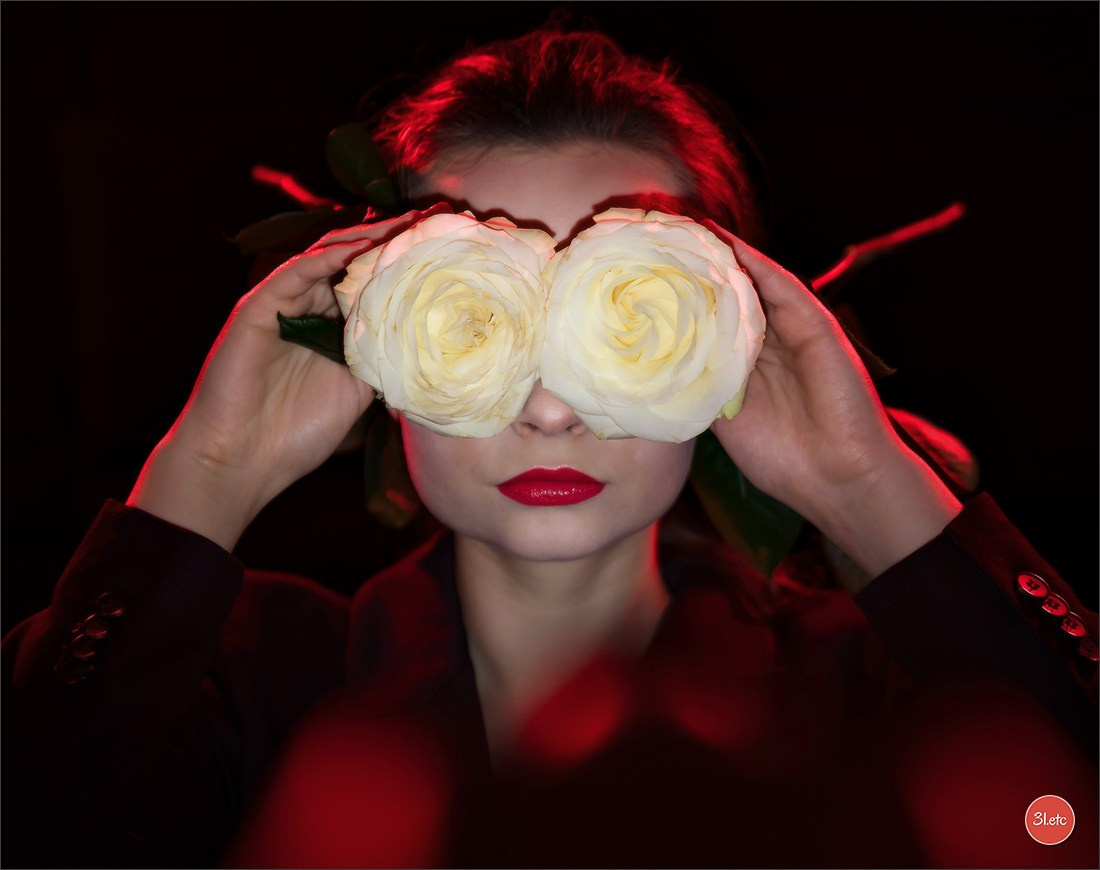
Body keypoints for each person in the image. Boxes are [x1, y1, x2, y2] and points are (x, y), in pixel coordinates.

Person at [3, 25, 1096, 870]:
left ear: (732, 345)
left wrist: (865, 488)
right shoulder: (243, 682)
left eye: (614, 321)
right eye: (488, 318)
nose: (550, 413)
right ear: (374, 345)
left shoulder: (878, 686)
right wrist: (210, 473)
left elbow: (1068, 827)